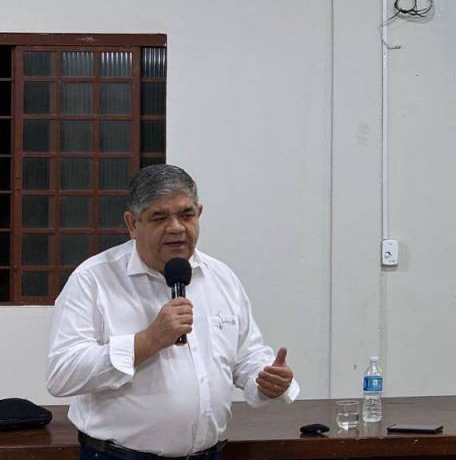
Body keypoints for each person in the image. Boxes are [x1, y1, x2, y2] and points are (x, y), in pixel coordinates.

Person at [47, 164, 299, 459]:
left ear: (199, 213)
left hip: (208, 454)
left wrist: (266, 379)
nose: (176, 227)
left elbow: (246, 356)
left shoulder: (221, 277)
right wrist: (149, 340)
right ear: (132, 224)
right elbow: (62, 374)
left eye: (186, 214)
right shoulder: (94, 279)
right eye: (159, 217)